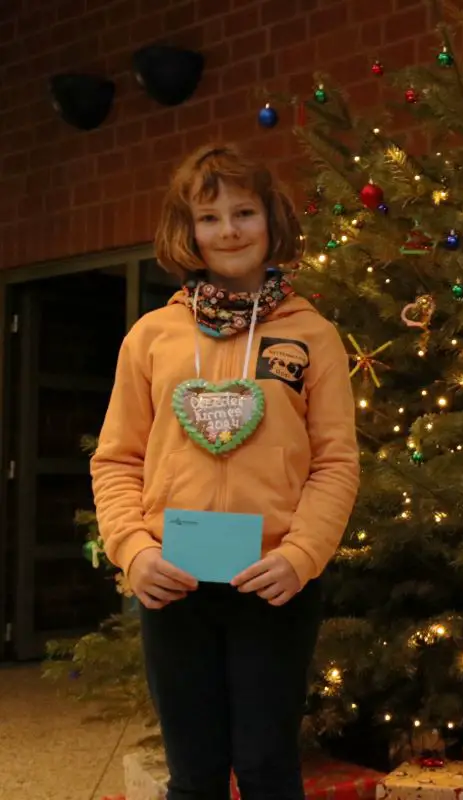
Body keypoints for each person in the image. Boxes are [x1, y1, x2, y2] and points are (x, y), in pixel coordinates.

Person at [91, 143, 360, 799]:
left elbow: (335, 462)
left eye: (245, 212)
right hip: (171, 583)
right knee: (195, 775)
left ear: (272, 222)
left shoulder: (312, 334)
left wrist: (300, 556)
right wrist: (133, 552)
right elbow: (117, 459)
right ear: (187, 232)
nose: (230, 230)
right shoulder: (151, 336)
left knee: (268, 769)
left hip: (273, 585)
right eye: (210, 217)